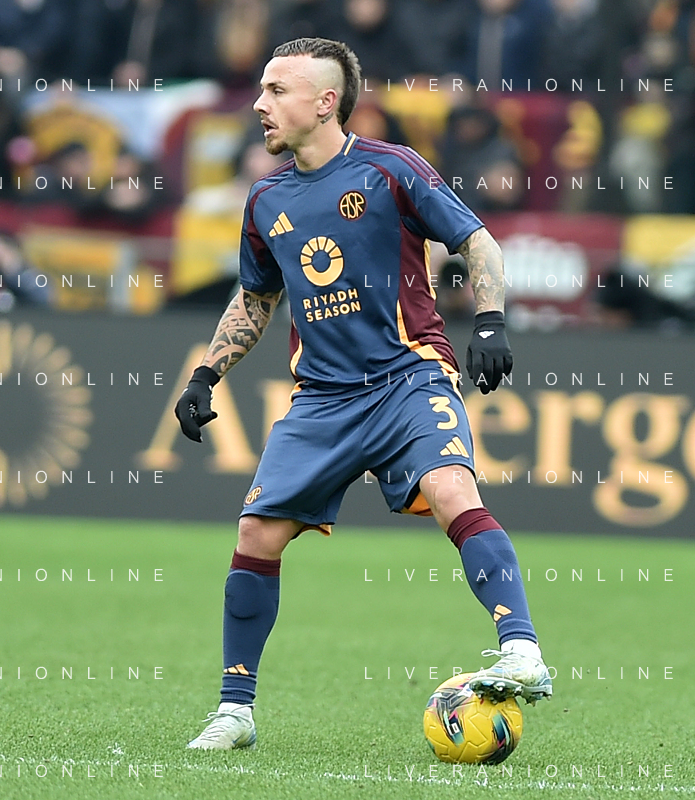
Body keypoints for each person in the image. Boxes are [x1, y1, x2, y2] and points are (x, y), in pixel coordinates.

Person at [175, 37, 552, 751]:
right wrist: (205, 374)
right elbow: (255, 298)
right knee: (256, 534)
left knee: (451, 489)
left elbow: (477, 241)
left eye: (276, 90)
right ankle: (234, 711)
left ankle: (521, 650)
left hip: (409, 376)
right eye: (261, 89)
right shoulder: (266, 198)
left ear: (325, 102)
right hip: (322, 397)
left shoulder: (390, 168)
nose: (259, 104)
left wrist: (491, 320)